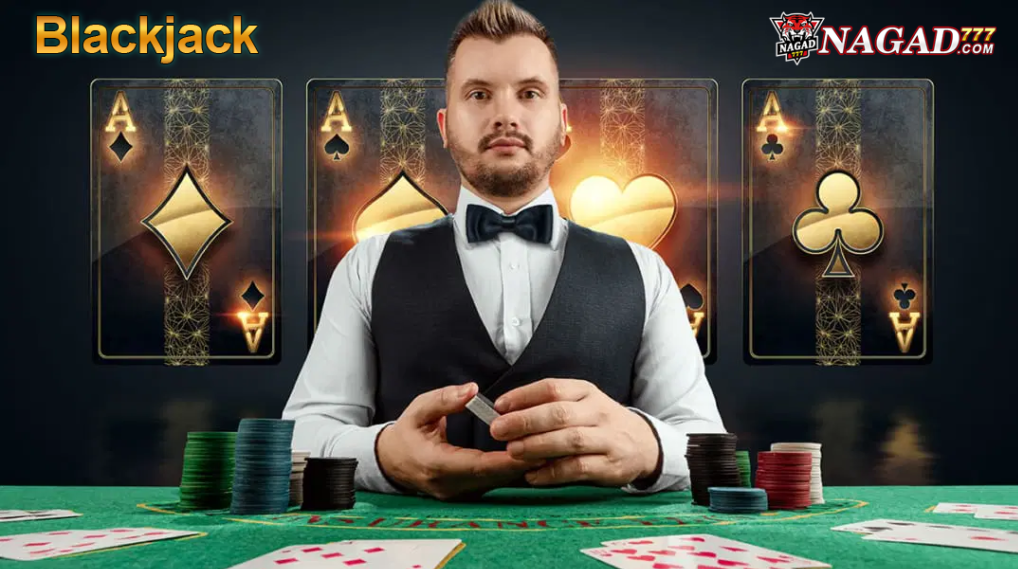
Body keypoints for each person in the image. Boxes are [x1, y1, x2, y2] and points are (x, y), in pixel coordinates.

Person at [282, 0, 725, 501]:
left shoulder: (646, 271)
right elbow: (303, 435)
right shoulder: (366, 265)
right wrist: (384, 454)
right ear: (445, 126)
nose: (505, 115)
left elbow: (704, 439)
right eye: (479, 94)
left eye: (529, 93)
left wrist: (647, 447)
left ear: (563, 125)